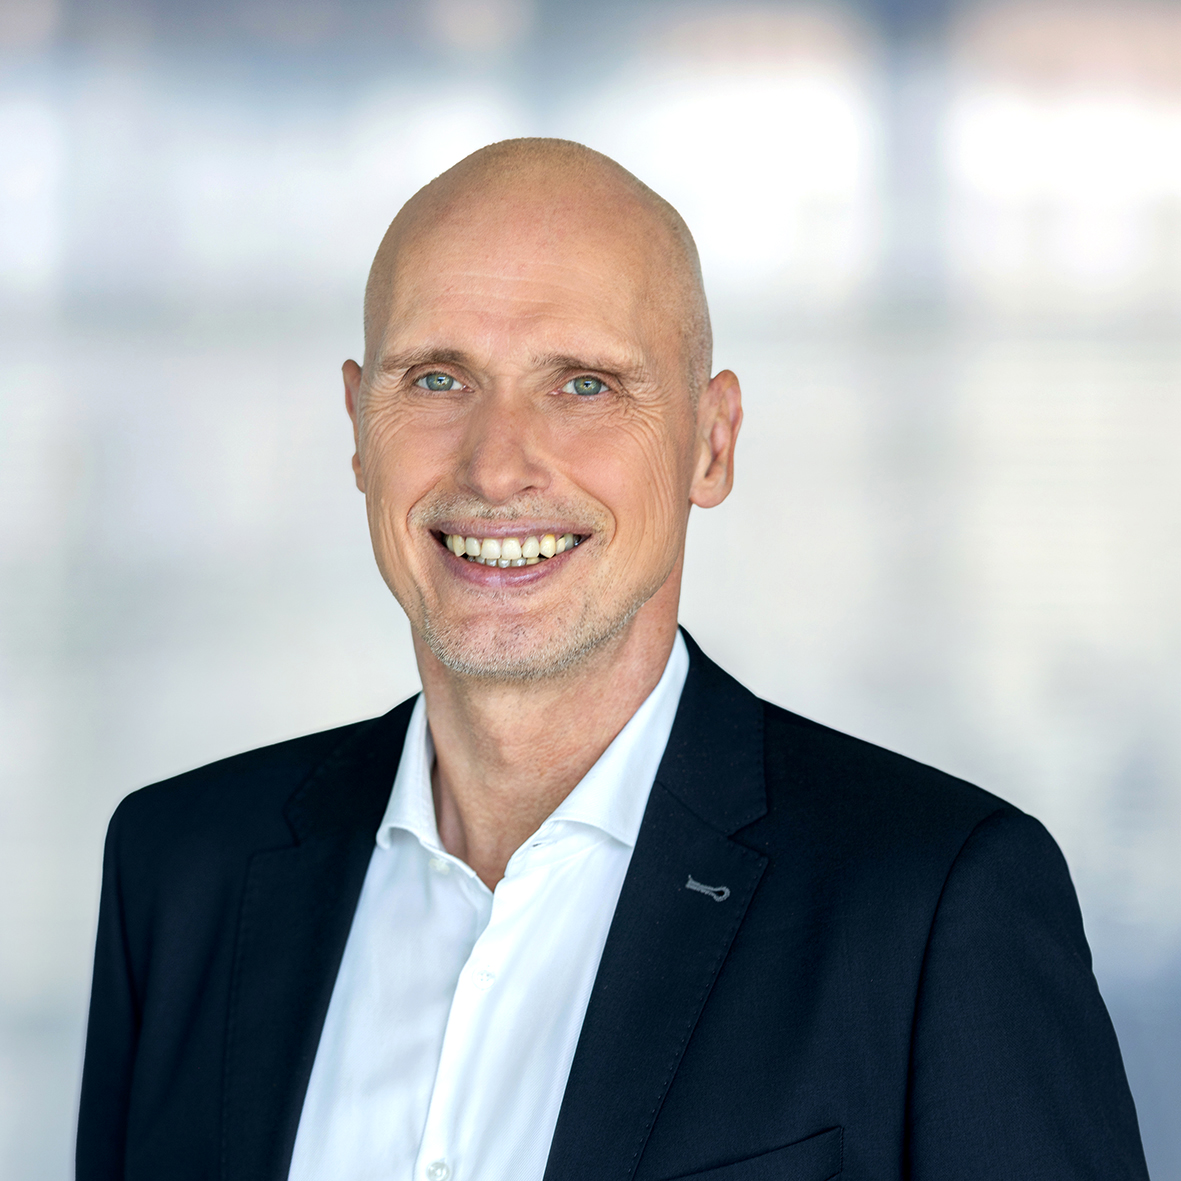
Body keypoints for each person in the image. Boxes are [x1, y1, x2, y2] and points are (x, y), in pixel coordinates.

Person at [76, 138, 1149, 1181]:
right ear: (358, 424)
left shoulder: (932, 906)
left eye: (584, 385)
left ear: (711, 442)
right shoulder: (179, 872)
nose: (496, 468)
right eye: (438, 378)